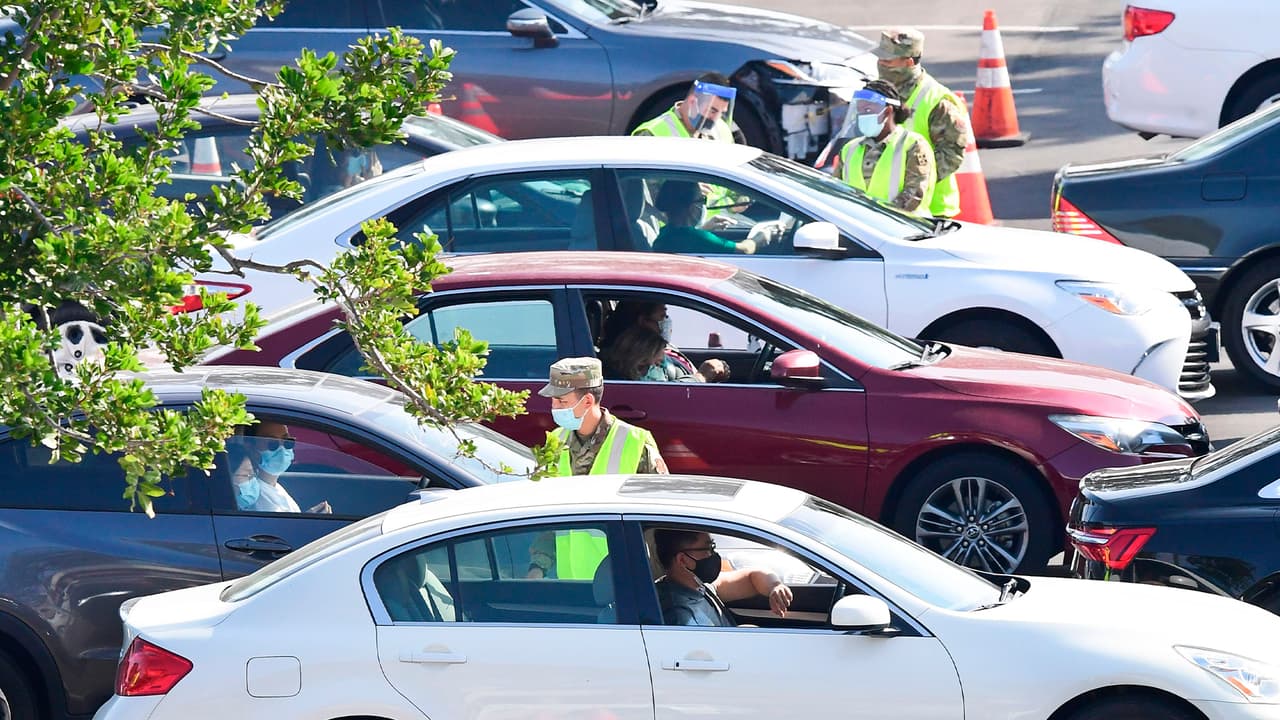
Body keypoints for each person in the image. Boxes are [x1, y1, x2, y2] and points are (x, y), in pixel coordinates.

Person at [874, 27, 969, 218]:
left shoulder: (936, 100)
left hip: (929, 212)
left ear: (909, 62)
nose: (881, 65)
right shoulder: (878, 92)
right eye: (880, 59)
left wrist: (912, 191)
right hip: (882, 209)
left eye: (888, 61)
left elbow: (951, 155)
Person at [539, 357, 668, 477]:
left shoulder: (636, 442)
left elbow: (659, 495)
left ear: (588, 401)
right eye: (553, 401)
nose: (555, 408)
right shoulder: (556, 439)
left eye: (562, 402)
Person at [653, 529, 793, 627]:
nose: (713, 555)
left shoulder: (700, 586)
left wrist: (775, 586)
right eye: (707, 549)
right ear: (683, 560)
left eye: (713, 547)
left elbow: (752, 576)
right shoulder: (680, 616)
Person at [836, 81, 936, 215]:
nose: (861, 116)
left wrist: (881, 218)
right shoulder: (849, 149)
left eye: (867, 110)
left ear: (887, 111)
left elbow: (914, 194)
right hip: (859, 229)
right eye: (859, 111)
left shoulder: (913, 145)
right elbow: (837, 190)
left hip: (903, 229)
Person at [601, 301, 731, 383]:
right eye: (662, 317)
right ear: (643, 320)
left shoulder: (660, 349)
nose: (666, 322)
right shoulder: (628, 366)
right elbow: (660, 396)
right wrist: (701, 377)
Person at [229, 421, 332, 514]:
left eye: (287, 441)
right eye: (272, 443)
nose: (282, 448)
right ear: (250, 447)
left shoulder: (274, 487)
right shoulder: (254, 497)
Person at [652, 180, 758, 255]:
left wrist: (704, 229)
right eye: (701, 200)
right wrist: (759, 237)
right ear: (691, 206)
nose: (703, 206)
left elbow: (687, 239)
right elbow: (745, 250)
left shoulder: (665, 233)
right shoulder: (698, 237)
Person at [632, 72, 737, 143]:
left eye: (721, 112)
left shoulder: (723, 131)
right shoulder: (652, 134)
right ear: (692, 102)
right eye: (712, 111)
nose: (715, 119)